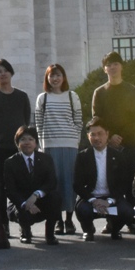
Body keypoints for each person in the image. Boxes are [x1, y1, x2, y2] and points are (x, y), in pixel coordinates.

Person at [91, 51, 135, 232]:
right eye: (109, 64)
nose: (112, 67)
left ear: (121, 66)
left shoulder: (132, 90)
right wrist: (110, 136)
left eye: (115, 64)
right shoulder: (99, 92)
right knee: (110, 184)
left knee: (129, 184)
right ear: (104, 69)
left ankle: (131, 220)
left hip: (128, 143)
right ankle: (111, 221)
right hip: (107, 145)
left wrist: (120, 136)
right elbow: (97, 118)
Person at [0, 58, 32, 233]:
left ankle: (24, 222)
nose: (3, 74)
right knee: (1, 186)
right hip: (1, 147)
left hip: (20, 149)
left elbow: (26, 120)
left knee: (22, 185)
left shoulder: (22, 96)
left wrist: (22, 140)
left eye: (5, 71)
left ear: (11, 73)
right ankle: (3, 223)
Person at [34, 63, 83, 235]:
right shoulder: (42, 98)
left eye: (58, 75)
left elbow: (78, 121)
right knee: (54, 184)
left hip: (69, 145)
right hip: (50, 146)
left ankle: (69, 219)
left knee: (69, 183)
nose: (55, 79)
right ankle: (58, 221)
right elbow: (39, 123)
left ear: (63, 78)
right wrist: (42, 145)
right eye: (52, 75)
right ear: (47, 78)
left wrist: (74, 139)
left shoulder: (72, 96)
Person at [73, 116, 135, 241]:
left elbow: (124, 183)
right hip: (91, 198)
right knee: (82, 210)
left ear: (107, 134)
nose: (97, 138)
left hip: (112, 198)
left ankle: (115, 229)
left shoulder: (118, 156)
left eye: (100, 134)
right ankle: (88, 230)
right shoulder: (82, 156)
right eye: (93, 135)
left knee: (127, 211)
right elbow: (77, 184)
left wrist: (110, 201)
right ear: (88, 136)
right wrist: (93, 200)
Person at [2, 126, 60, 245]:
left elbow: (51, 182)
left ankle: (50, 234)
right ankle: (25, 232)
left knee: (55, 197)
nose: (27, 142)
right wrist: (26, 203)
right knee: (21, 210)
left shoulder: (46, 159)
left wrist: (36, 195)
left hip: (40, 199)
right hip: (20, 203)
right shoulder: (10, 162)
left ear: (36, 143)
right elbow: (10, 190)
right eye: (23, 139)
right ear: (17, 143)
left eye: (30, 139)